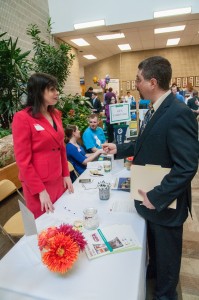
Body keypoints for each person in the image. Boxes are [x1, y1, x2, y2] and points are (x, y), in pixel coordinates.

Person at [103, 56, 199, 300]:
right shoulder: (155, 109)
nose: (135, 84)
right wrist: (119, 148)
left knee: (167, 264)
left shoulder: (178, 113)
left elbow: (187, 166)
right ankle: (152, 281)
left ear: (152, 82)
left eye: (138, 79)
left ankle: (165, 295)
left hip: (164, 204)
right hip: (152, 202)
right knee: (156, 255)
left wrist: (157, 196)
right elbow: (146, 143)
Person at [12, 73, 74, 219]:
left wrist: (66, 174)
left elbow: (61, 147)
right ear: (39, 91)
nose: (57, 92)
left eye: (56, 89)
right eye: (52, 89)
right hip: (38, 184)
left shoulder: (55, 113)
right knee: (45, 225)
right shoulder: (22, 118)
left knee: (62, 218)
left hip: (58, 178)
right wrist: (40, 190)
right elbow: (23, 161)